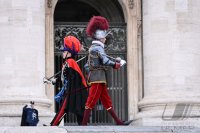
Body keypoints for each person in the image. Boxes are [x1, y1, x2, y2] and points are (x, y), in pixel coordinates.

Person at [82, 16, 132, 125]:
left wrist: (92, 71)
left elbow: (87, 66)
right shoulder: (99, 48)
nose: (105, 39)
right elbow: (105, 61)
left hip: (98, 78)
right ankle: (84, 124)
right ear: (100, 38)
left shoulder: (93, 48)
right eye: (104, 37)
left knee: (107, 101)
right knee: (91, 101)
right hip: (98, 79)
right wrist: (116, 65)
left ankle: (118, 122)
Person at [49, 35, 88, 126]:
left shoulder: (70, 62)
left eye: (64, 51)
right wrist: (55, 80)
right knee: (74, 111)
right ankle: (54, 124)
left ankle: (53, 125)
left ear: (69, 53)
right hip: (72, 91)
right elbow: (64, 76)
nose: (62, 53)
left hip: (74, 91)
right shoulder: (68, 63)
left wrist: (67, 90)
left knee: (65, 109)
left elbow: (73, 78)